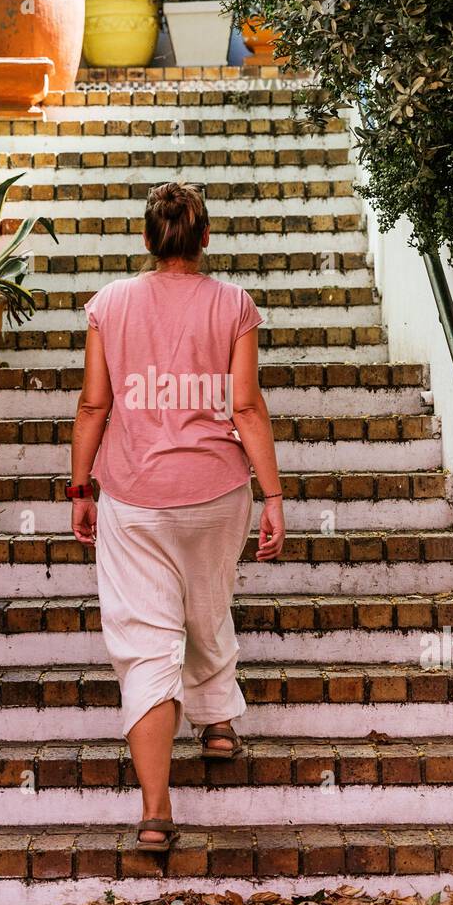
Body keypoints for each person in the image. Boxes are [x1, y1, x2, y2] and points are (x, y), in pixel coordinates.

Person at [68, 181, 285, 850]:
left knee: (146, 644)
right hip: (217, 490)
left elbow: (94, 405)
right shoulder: (234, 305)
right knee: (207, 604)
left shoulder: (109, 304)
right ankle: (217, 722)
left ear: (146, 239)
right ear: (206, 238)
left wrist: (81, 487)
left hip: (132, 496)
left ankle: (156, 810)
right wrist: (273, 494)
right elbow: (246, 407)